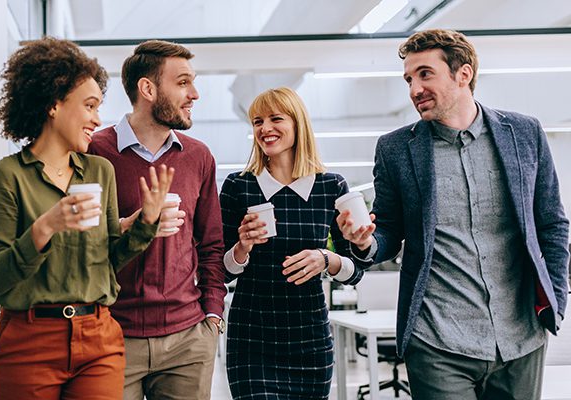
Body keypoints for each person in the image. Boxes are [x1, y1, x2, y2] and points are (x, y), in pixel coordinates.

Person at [338, 29, 570, 399]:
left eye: (425, 74)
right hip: (438, 341)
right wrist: (364, 242)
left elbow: (552, 224)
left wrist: (555, 298)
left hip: (520, 337)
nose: (414, 89)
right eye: (409, 79)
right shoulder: (397, 149)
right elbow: (388, 233)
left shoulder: (524, 134)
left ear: (463, 74)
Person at [0, 37, 173, 400]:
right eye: (90, 105)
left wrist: (146, 222)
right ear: (54, 104)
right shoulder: (7, 178)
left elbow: (108, 261)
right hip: (28, 344)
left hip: (98, 338)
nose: (97, 119)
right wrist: (46, 226)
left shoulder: (100, 171)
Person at [89, 40, 225, 400]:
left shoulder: (198, 156)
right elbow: (77, 240)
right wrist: (129, 225)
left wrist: (212, 313)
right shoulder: (93, 153)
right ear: (147, 88)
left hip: (188, 341)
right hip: (113, 334)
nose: (194, 93)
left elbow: (211, 244)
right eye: (182, 82)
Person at [220, 86, 368, 399]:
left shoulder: (331, 186)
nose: (265, 128)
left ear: (297, 123)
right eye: (258, 121)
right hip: (252, 338)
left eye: (275, 119)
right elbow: (220, 271)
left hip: (309, 338)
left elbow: (355, 270)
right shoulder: (238, 186)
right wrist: (242, 247)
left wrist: (325, 259)